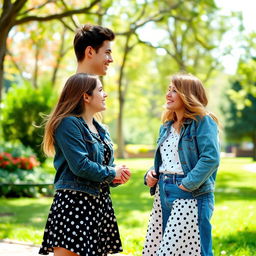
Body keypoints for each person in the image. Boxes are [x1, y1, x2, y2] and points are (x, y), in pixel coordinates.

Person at [39, 73, 131, 256]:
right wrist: (113, 173)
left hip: (99, 206)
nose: (105, 94)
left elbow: (106, 167)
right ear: (86, 96)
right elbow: (80, 166)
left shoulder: (102, 129)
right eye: (100, 90)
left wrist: (117, 176)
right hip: (74, 205)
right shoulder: (68, 124)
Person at [143, 73, 220, 256]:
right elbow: (167, 161)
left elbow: (211, 158)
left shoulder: (203, 121)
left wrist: (187, 184)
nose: (168, 94)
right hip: (163, 193)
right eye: (168, 89)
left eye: (174, 90)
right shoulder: (167, 126)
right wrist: (151, 175)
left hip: (191, 194)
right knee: (167, 248)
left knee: (193, 251)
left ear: (188, 95)